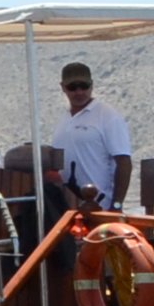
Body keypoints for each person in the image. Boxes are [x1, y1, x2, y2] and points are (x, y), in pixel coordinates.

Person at [53, 64, 133, 208]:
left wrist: (116, 206)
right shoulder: (63, 119)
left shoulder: (107, 116)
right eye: (72, 87)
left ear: (92, 85)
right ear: (63, 87)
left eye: (84, 86)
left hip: (100, 205)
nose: (79, 92)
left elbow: (124, 162)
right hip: (68, 206)